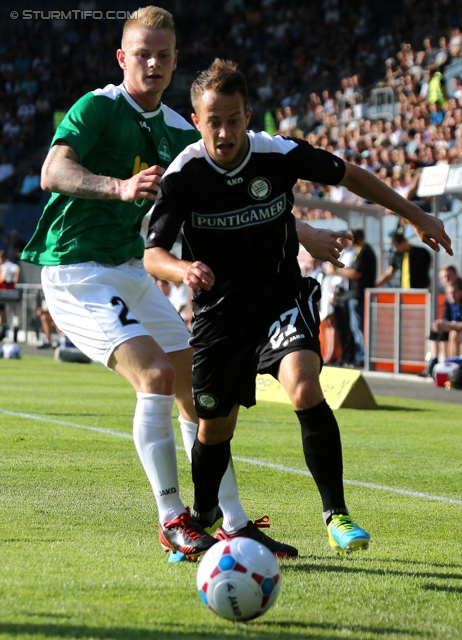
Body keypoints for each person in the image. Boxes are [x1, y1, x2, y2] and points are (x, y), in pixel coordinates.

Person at [143, 58, 452, 555]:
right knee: (215, 427)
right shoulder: (184, 175)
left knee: (305, 387)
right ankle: (203, 516)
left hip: (280, 298)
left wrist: (415, 214)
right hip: (220, 316)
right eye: (213, 121)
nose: (224, 132)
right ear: (197, 121)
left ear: (249, 116)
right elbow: (153, 253)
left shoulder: (277, 154)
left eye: (234, 119)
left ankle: (337, 514)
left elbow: (350, 175)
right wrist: (184, 271)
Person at [20, 6, 224, 561]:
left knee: (198, 391)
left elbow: (228, 191)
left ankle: (228, 522)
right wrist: (118, 187)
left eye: (163, 55)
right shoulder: (99, 107)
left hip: (131, 271)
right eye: (142, 54)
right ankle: (171, 518)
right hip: (77, 269)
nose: (153, 63)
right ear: (122, 57)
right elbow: (52, 172)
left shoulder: (182, 131)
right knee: (155, 375)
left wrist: (302, 230)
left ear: (177, 61)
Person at [338, 228, 377, 368]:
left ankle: (363, 357)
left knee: (358, 328)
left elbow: (356, 274)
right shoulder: (361, 250)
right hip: (355, 294)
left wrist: (338, 270)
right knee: (355, 327)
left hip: (358, 295)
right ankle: (360, 356)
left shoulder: (365, 251)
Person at [420, 264, 460, 377]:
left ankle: (452, 366)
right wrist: (442, 324)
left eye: (449, 276)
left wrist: (448, 325)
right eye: (444, 277)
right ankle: (434, 362)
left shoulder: (457, 289)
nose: (446, 280)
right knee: (436, 329)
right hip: (454, 324)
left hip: (458, 327)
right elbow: (446, 316)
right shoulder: (449, 293)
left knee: (453, 334)